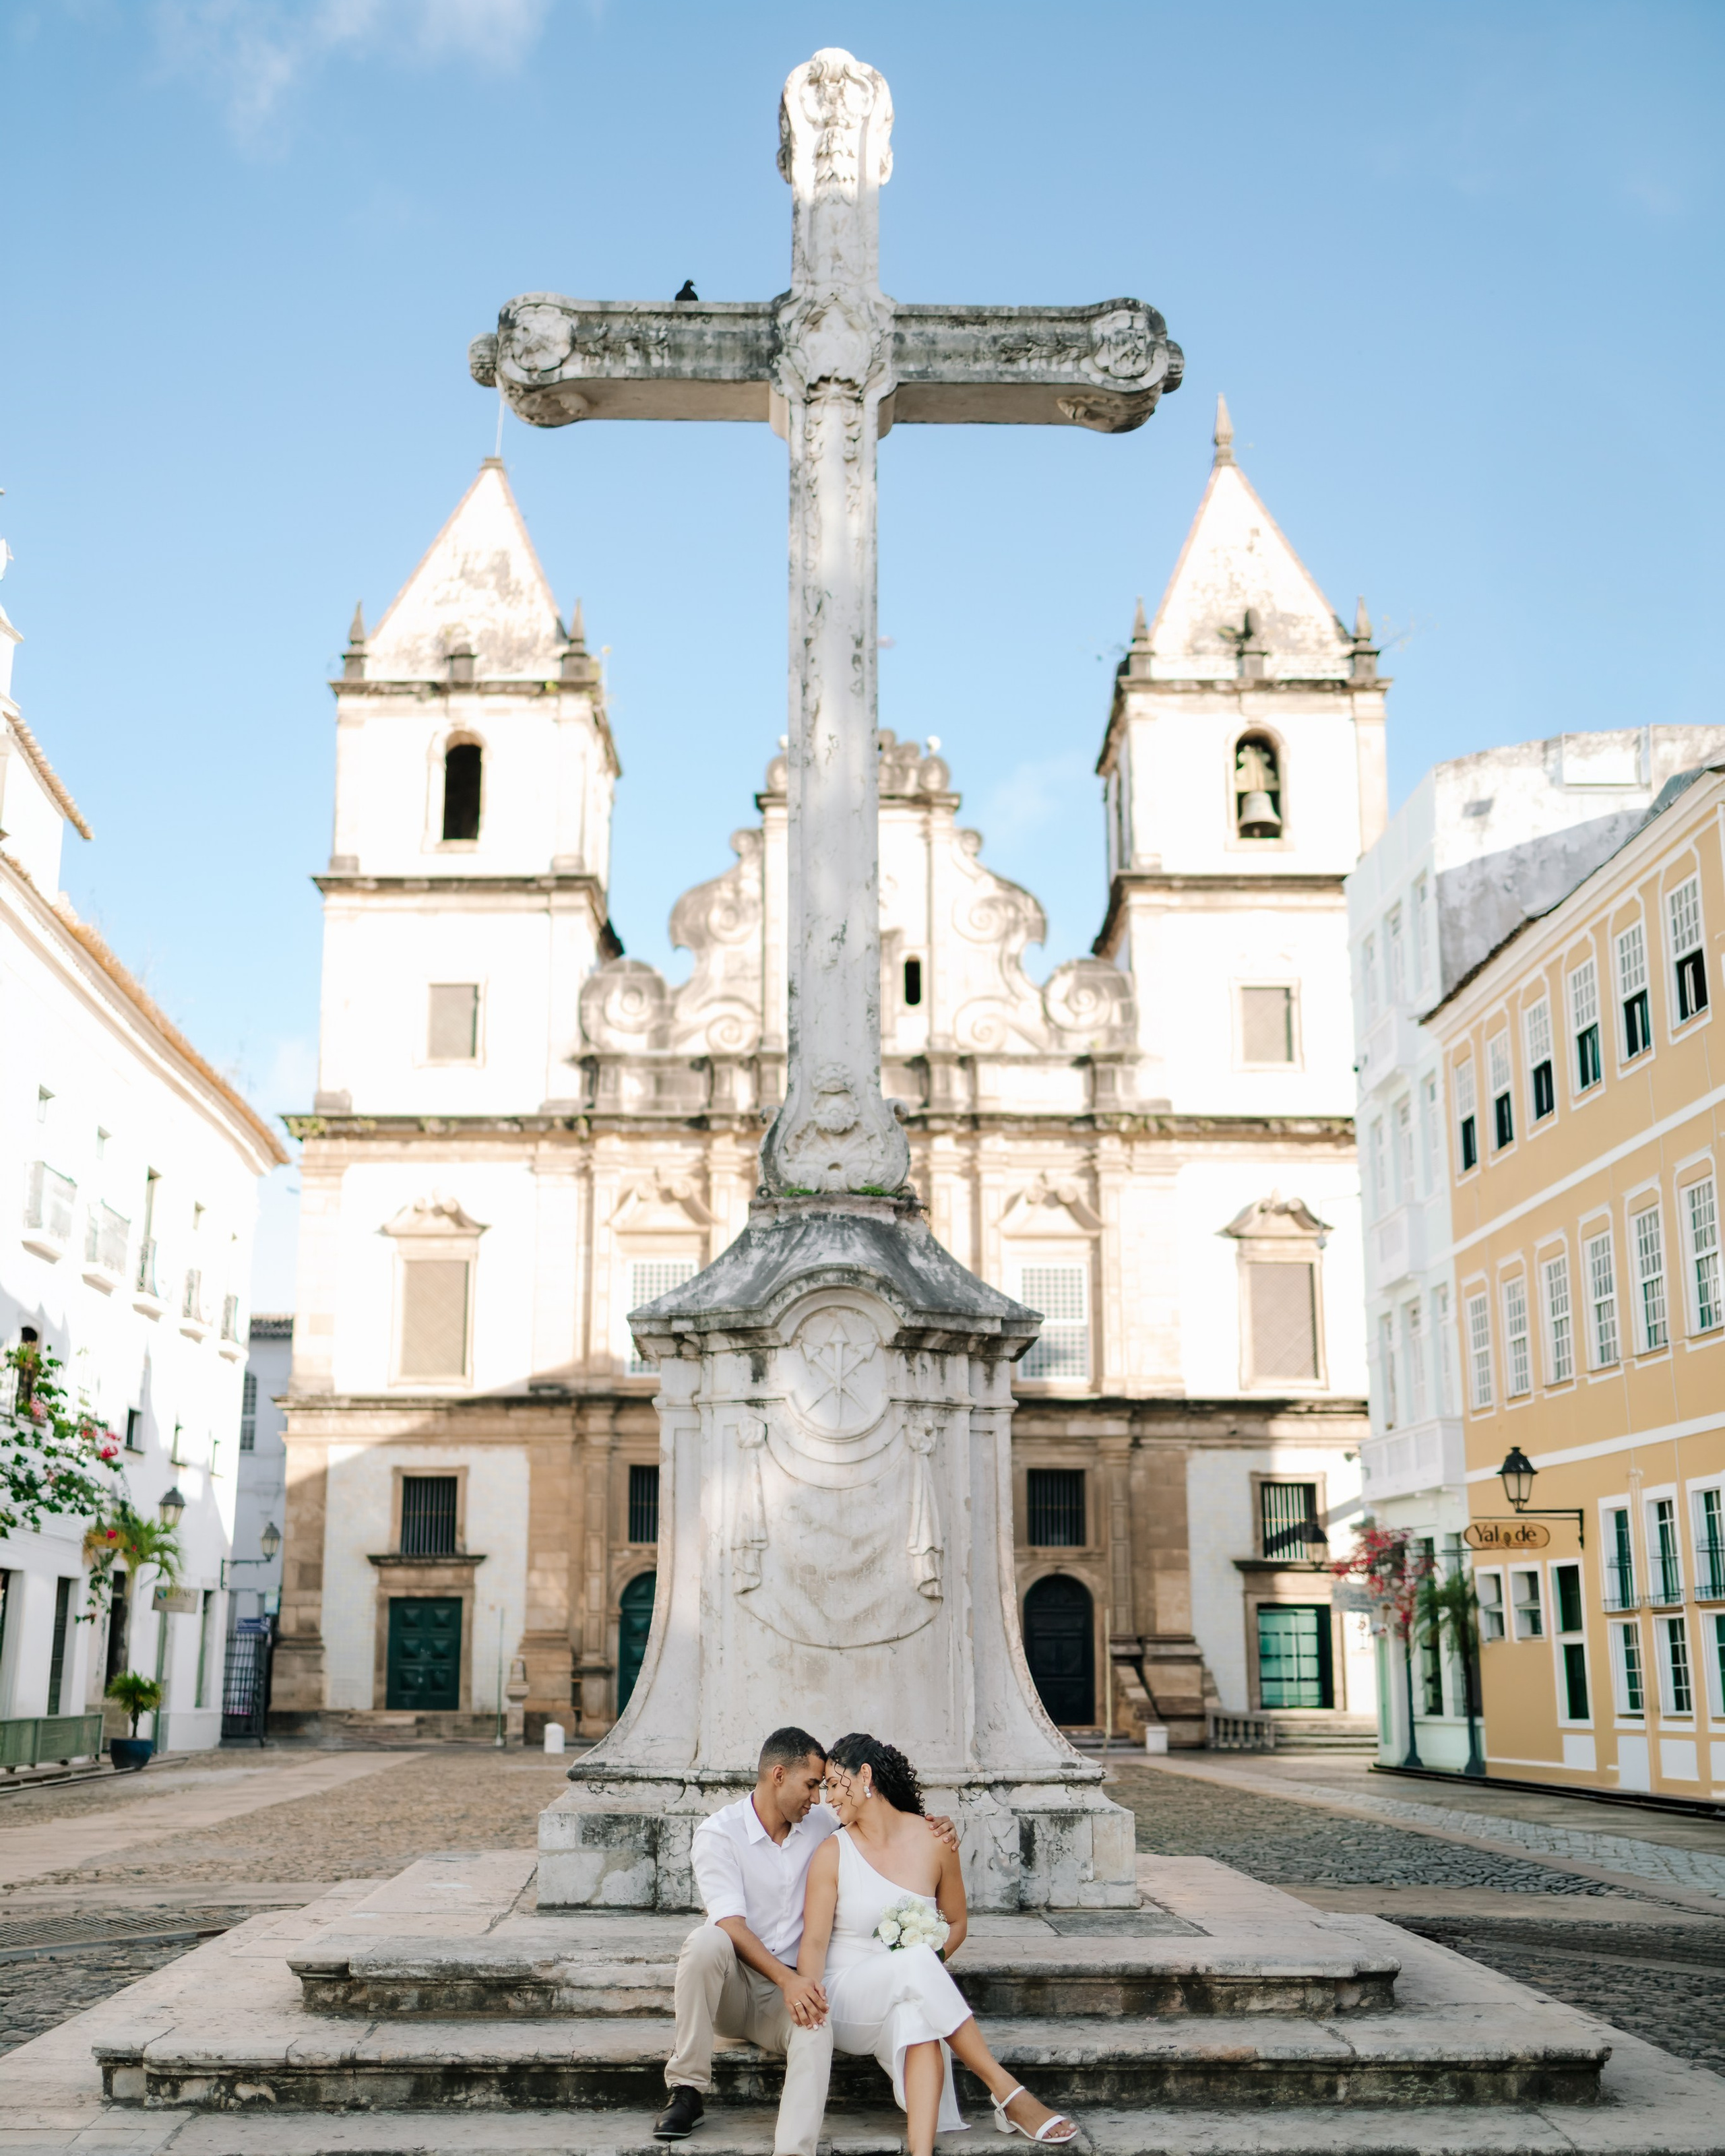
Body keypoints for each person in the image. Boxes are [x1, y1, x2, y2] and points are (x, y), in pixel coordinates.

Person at [654, 1726, 959, 2153]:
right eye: (812, 1785)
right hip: (733, 1989)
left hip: (785, 1999)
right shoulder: (719, 1834)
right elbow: (731, 1924)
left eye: (822, 1787)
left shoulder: (819, 1824)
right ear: (779, 1775)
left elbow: (876, 1816)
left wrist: (934, 1825)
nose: (819, 1798)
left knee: (817, 2026)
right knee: (706, 1941)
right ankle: (687, 2089)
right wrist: (789, 1979)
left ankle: (793, 2150)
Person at [796, 1732, 1079, 2156]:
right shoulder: (832, 1852)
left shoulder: (935, 1840)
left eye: (835, 1785)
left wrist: (930, 1963)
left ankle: (921, 2152)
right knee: (915, 1966)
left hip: (906, 1988)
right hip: (847, 1996)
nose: (827, 1799)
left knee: (918, 2019)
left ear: (866, 1776)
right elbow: (815, 1942)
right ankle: (1006, 2091)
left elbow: (958, 1923)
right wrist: (808, 2000)